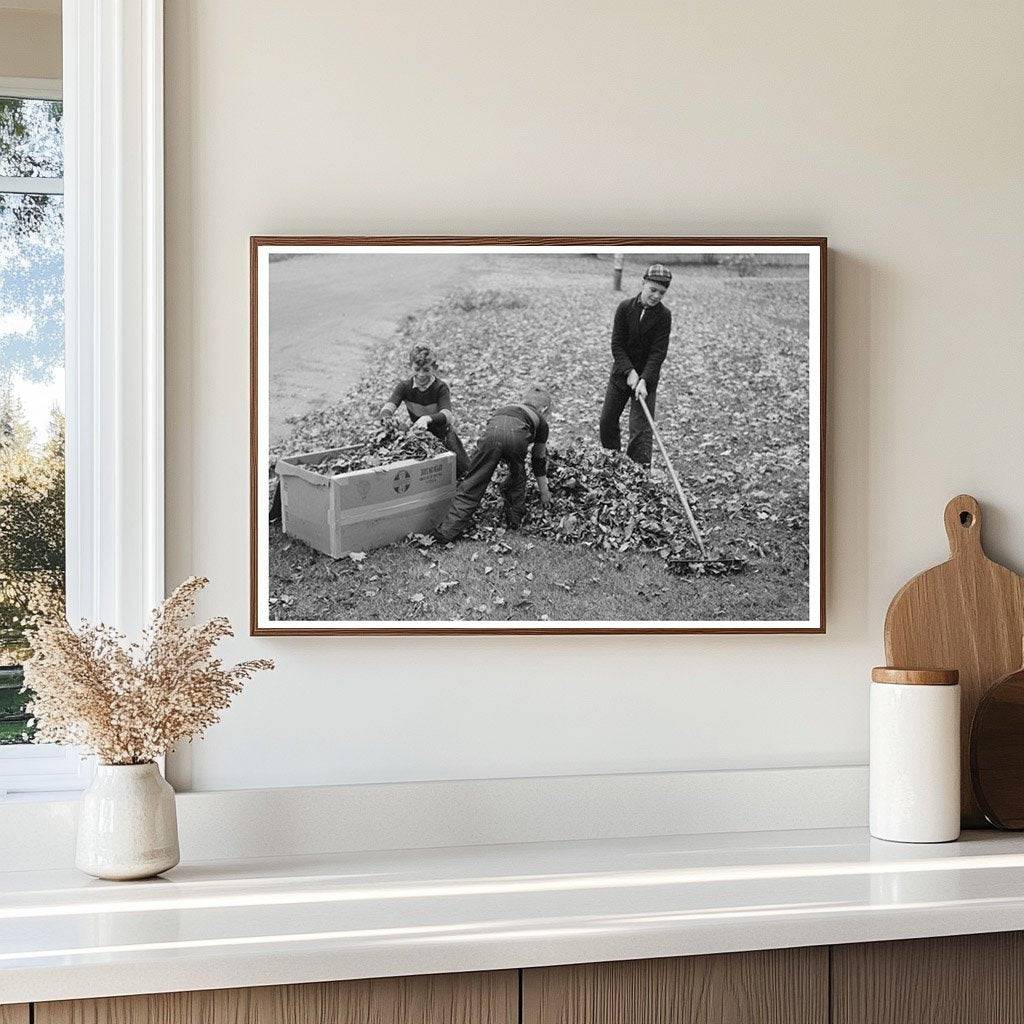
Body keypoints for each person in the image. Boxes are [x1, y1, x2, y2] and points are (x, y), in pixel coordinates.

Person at [434, 386, 552, 541]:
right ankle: (514, 522)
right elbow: (538, 458)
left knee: (473, 483)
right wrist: (544, 491)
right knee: (517, 479)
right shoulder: (541, 421)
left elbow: (493, 428)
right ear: (544, 409)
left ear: (524, 400)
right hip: (516, 439)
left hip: (491, 434)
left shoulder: (506, 408)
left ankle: (445, 532)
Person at [598, 263, 673, 468]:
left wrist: (644, 380)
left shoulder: (664, 316)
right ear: (643, 284)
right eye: (653, 290)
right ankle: (613, 462)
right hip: (621, 375)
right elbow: (617, 345)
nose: (657, 296)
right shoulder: (624, 308)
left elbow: (658, 353)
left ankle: (637, 474)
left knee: (640, 430)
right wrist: (630, 372)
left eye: (662, 292)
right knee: (607, 421)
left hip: (647, 380)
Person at [380, 343, 470, 477]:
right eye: (417, 369)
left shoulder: (440, 388)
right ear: (410, 366)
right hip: (419, 435)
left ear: (434, 368)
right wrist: (386, 417)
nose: (421, 374)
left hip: (442, 433)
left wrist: (427, 418)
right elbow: (389, 406)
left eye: (426, 370)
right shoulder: (404, 387)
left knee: (464, 470)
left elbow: (448, 415)